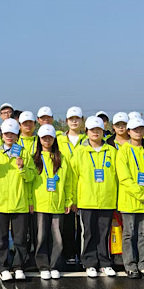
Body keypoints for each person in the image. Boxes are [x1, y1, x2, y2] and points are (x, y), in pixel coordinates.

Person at [0, 118, 36, 281]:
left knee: (20, 239)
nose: (9, 137)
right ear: (1, 135)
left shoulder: (24, 152)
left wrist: (22, 167)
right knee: (0, 239)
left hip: (19, 203)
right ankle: (3, 267)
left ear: (17, 135)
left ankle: (19, 266)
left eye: (12, 133)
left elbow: (31, 177)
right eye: (6, 134)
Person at [71, 116, 119, 278]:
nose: (95, 132)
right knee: (89, 233)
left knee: (104, 233)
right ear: (87, 132)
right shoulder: (80, 152)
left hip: (107, 199)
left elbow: (117, 177)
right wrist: (73, 200)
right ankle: (90, 263)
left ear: (103, 131)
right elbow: (73, 178)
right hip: (87, 200)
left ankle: (105, 263)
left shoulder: (112, 151)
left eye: (98, 129)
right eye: (92, 130)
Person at [116, 117, 144, 280]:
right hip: (130, 201)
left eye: (141, 129)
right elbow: (124, 178)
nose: (138, 132)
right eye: (135, 129)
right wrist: (141, 195)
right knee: (129, 235)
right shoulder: (123, 151)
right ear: (129, 131)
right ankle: (130, 265)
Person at [30, 124, 73, 280]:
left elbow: (68, 182)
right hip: (40, 203)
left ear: (54, 139)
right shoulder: (34, 158)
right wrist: (30, 201)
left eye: (50, 137)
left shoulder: (62, 158)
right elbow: (29, 182)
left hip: (57, 203)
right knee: (41, 237)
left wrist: (68, 200)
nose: (47, 140)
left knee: (58, 238)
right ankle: (43, 266)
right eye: (44, 138)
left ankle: (54, 265)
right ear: (39, 139)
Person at [58, 106, 87, 265]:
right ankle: (69, 253)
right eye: (71, 119)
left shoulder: (87, 140)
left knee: (83, 226)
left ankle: (82, 255)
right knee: (67, 223)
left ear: (82, 120)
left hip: (83, 186)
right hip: (65, 186)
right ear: (66, 121)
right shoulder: (59, 140)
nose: (74, 122)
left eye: (77, 119)